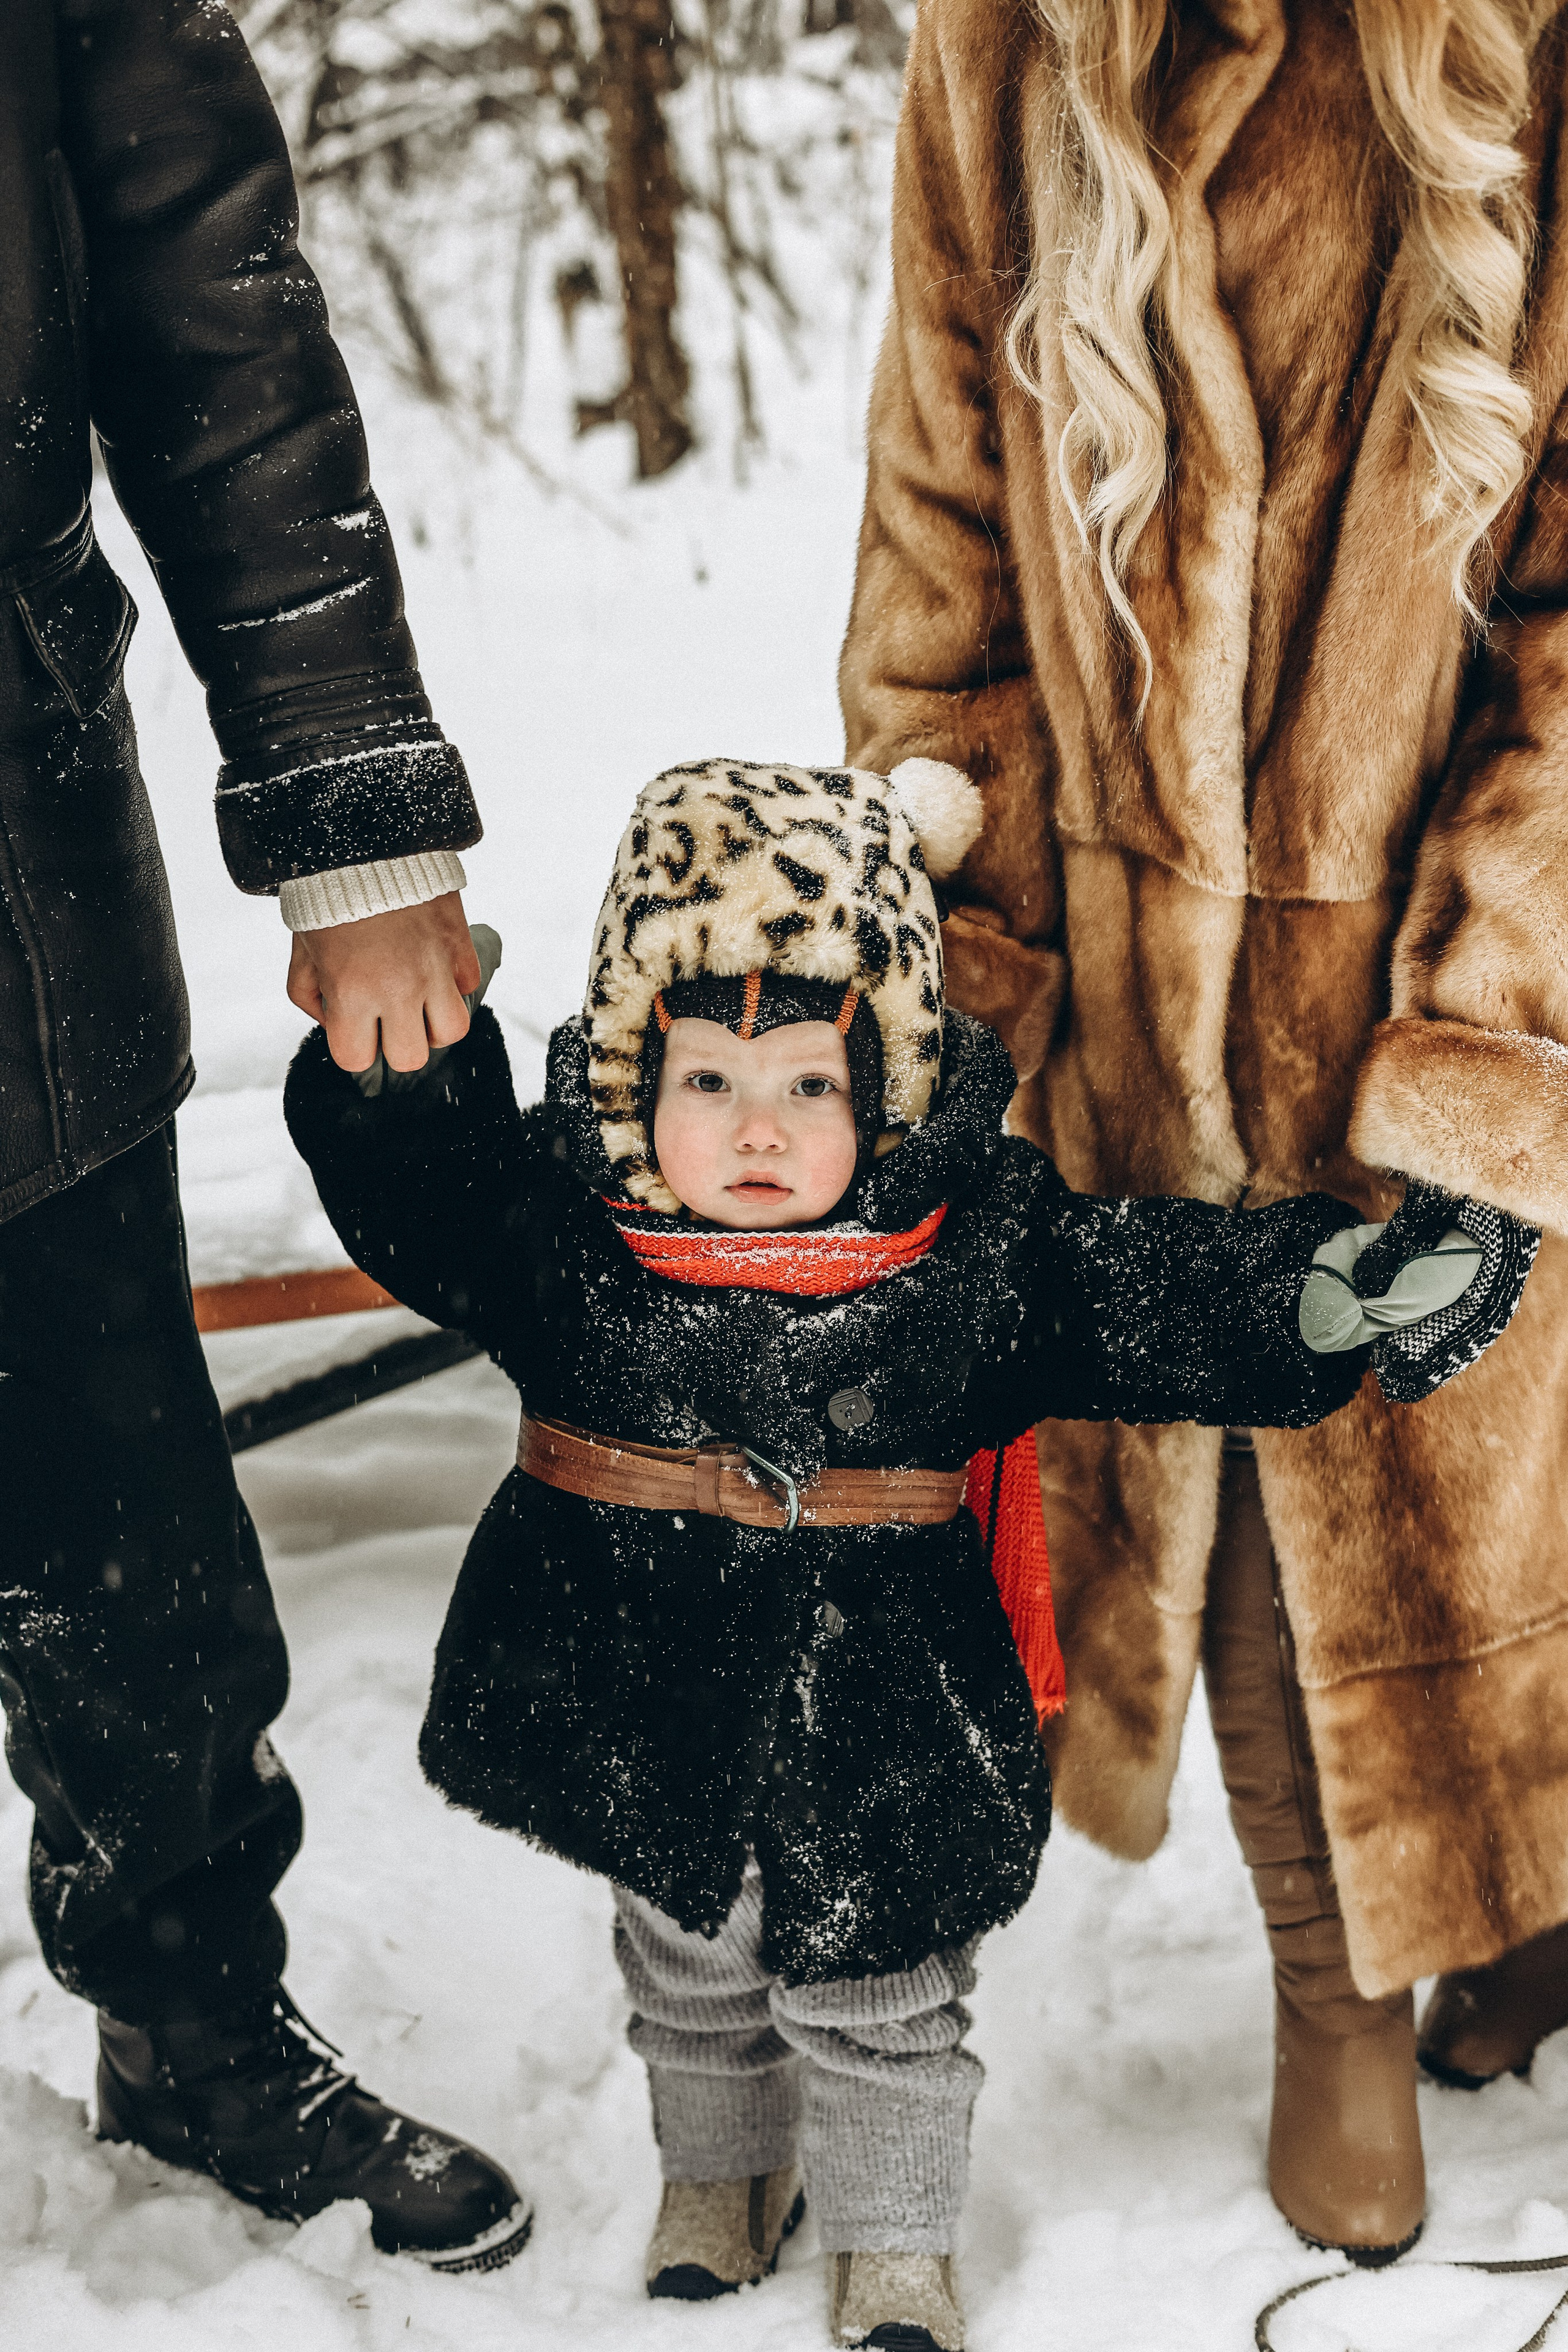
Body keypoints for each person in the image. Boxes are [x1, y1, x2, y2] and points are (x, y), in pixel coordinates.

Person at [282, 755, 1519, 2348]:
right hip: (648, 1700)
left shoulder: (969, 1251)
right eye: (711, 1079)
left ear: (885, 1083)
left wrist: (1321, 1293)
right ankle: (721, 2185)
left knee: (885, 2008)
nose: (756, 1127)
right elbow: (422, 1201)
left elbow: (1145, 1289)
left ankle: (895, 2247)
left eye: (810, 1082)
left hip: (884, 1718)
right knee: (690, 1976)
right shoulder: (559, 1236)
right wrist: (404, 1079)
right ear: (630, 1079)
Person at [837, 0, 1568, 2267]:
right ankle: (1335, 1992)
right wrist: (962, 957)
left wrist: (1494, 1003)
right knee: (1246, 1469)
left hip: (1471, 917)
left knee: (1506, 1463)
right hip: (1132, 983)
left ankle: (1523, 1893)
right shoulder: (1010, 52)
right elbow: (941, 533)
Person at [0, 0, 529, 2270]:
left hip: (4, 891)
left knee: (129, 1566)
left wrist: (354, 810)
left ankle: (201, 2031)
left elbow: (214, 304)